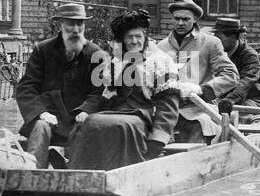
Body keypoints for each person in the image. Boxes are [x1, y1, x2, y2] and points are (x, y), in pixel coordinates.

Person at [67, 9, 180, 170]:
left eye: (138, 36)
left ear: (145, 37)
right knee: (87, 123)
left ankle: (126, 172)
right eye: (129, 37)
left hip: (144, 115)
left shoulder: (160, 61)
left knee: (120, 125)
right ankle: (80, 169)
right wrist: (86, 111)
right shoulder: (116, 62)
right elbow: (104, 95)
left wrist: (158, 137)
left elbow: (169, 105)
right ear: (123, 40)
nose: (134, 41)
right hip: (115, 111)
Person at [15, 3, 104, 168]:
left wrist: (86, 111)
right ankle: (32, 172)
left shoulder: (95, 53)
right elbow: (26, 88)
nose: (76, 29)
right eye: (70, 23)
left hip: (79, 118)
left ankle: (74, 171)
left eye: (80, 23)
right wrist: (41, 113)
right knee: (40, 127)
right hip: (50, 117)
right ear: (60, 24)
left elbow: (98, 92)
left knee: (86, 129)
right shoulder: (43, 50)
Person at [157, 0, 239, 143]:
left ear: (195, 18)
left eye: (185, 19)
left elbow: (231, 75)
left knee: (200, 129)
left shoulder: (210, 43)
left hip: (200, 108)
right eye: (177, 19)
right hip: (168, 110)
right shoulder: (161, 47)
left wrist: (201, 89)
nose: (180, 23)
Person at [202, 18, 260, 123]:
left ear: (233, 37)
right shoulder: (216, 53)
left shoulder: (249, 55)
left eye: (220, 38)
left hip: (251, 100)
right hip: (224, 100)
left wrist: (230, 100)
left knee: (237, 116)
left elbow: (246, 82)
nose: (216, 41)